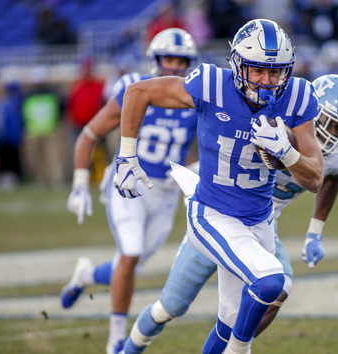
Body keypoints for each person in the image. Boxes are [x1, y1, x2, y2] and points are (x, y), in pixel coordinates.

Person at [113, 19, 324, 354]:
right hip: (213, 212)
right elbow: (138, 92)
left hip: (259, 220)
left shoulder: (298, 95)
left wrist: (287, 152)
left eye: (276, 72)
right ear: (238, 65)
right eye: (257, 71)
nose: (267, 81)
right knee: (272, 279)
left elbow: (314, 179)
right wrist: (126, 156)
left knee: (231, 318)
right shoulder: (211, 83)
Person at [122, 73, 338, 354]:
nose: (331, 134)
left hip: (262, 222)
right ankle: (127, 350)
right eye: (329, 123)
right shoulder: (275, 120)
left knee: (275, 288)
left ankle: (231, 347)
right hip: (220, 211)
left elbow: (330, 175)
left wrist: (315, 231)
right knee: (170, 306)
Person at [59, 28, 199, 354]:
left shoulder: (195, 97)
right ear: (155, 61)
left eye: (182, 60)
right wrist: (80, 185)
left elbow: (195, 149)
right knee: (131, 252)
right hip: (129, 184)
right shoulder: (133, 89)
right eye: (170, 58)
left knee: (129, 263)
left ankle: (85, 275)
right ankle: (116, 339)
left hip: (165, 192)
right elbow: (89, 134)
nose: (176, 66)